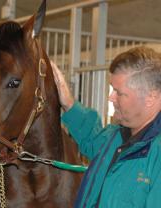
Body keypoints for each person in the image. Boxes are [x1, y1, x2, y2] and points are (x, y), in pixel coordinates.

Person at [51, 46, 161, 208]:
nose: (111, 97)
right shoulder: (117, 136)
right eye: (111, 89)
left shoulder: (156, 153)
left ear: (150, 97)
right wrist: (68, 103)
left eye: (119, 92)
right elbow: (92, 137)